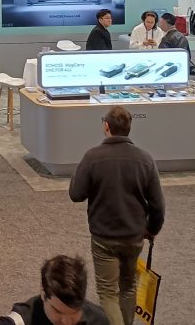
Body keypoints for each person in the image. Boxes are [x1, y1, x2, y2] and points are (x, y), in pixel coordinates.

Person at [69, 106, 164, 325]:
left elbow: (76, 194)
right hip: (134, 235)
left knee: (107, 292)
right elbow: (158, 205)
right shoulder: (145, 159)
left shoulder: (92, 157)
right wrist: (152, 229)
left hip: (104, 236)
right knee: (128, 287)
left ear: (106, 126)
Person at [0, 255, 107, 325]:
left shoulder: (100, 320)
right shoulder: (19, 321)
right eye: (58, 311)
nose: (66, 322)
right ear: (43, 293)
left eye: (74, 312)